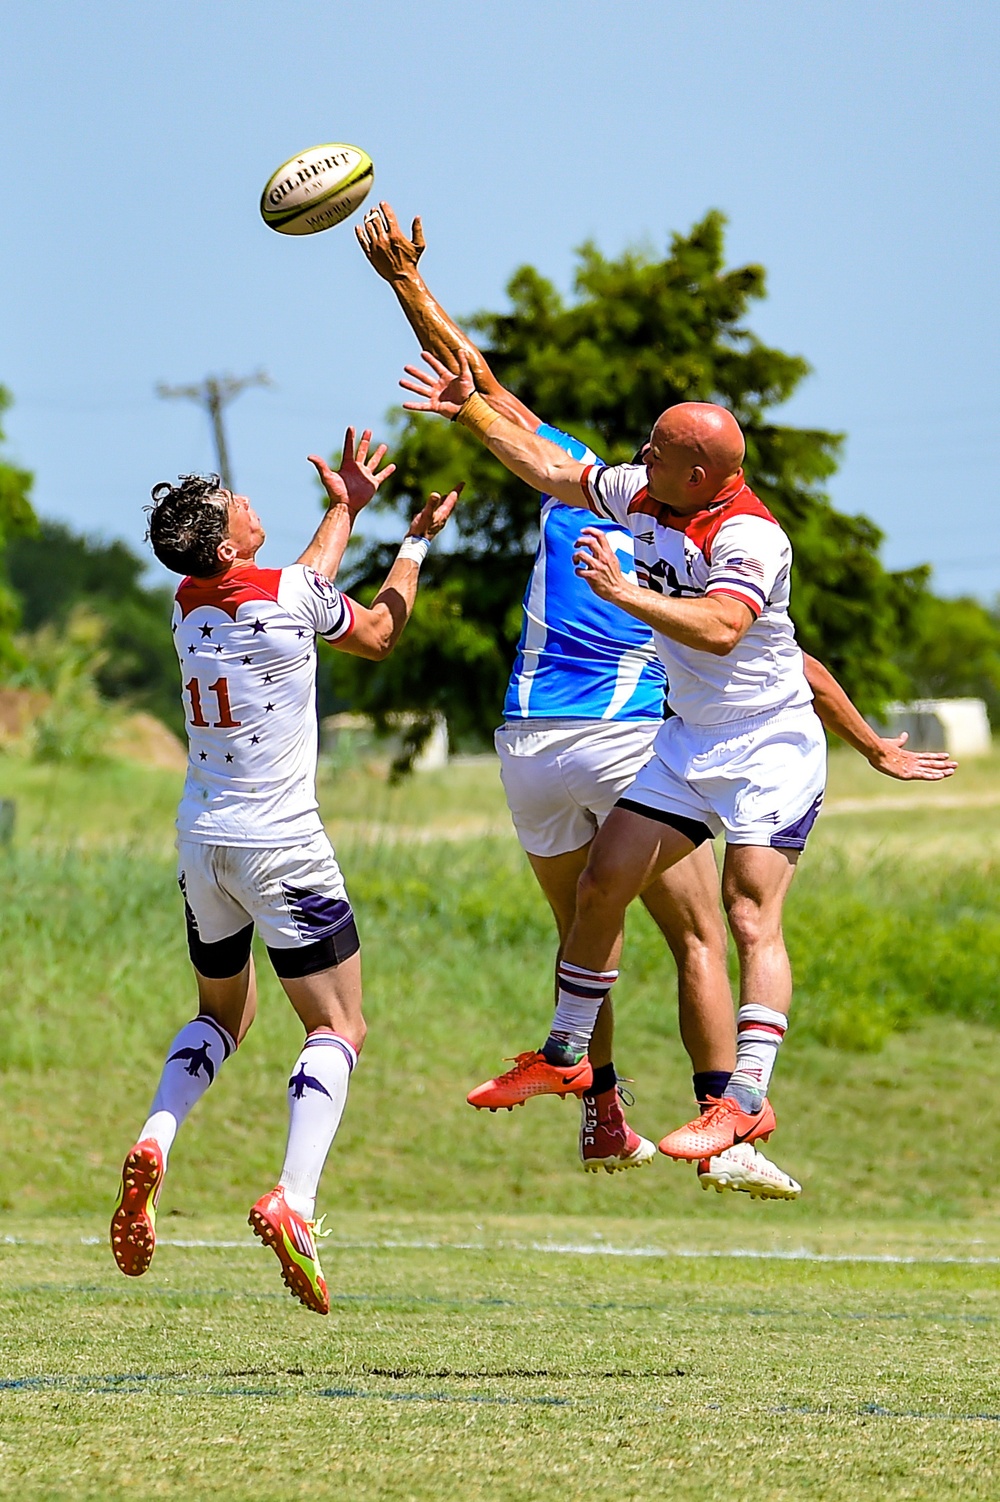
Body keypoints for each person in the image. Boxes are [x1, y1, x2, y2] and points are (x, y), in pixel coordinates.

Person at [359, 205, 955, 1192]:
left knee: (741, 912)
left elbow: (735, 636)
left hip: (745, 745)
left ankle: (740, 1098)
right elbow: (534, 441)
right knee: (614, 891)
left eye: (658, 443)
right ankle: (570, 1059)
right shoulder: (644, 495)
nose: (638, 450)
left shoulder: (749, 539)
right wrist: (459, 389)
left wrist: (625, 592)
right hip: (671, 738)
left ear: (700, 468)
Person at [110, 428, 458, 1313]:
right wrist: (411, 543)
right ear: (230, 542)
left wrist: (344, 509)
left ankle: (158, 1134)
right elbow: (375, 632)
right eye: (239, 505)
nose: (251, 502)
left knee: (221, 1016)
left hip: (203, 842)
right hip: (283, 845)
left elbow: (293, 587)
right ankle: (293, 1200)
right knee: (339, 1026)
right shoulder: (290, 593)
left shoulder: (187, 602)